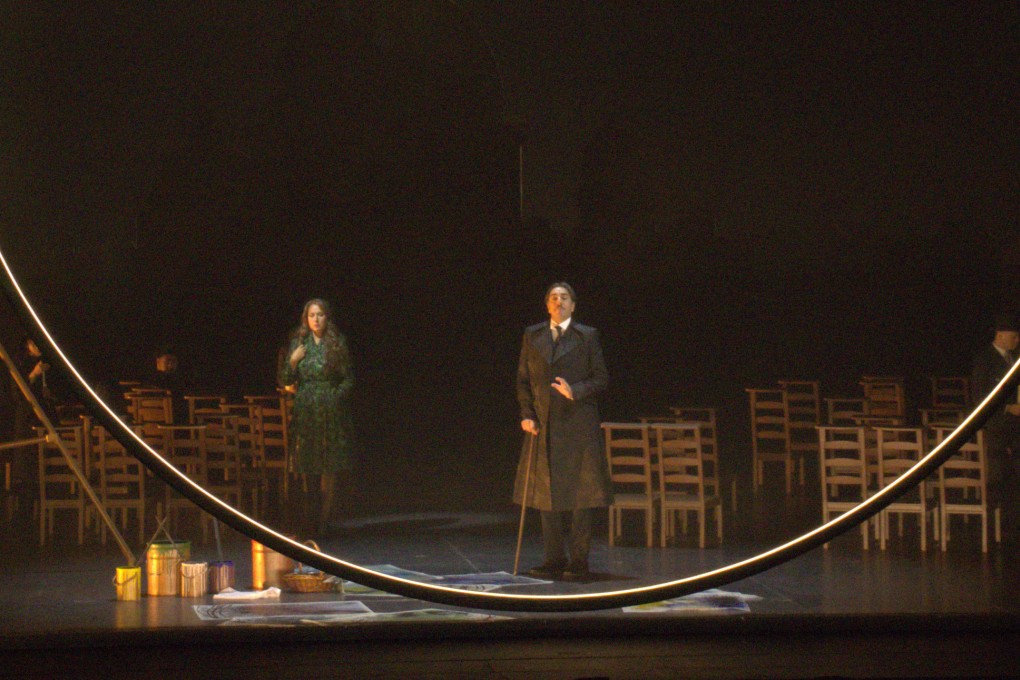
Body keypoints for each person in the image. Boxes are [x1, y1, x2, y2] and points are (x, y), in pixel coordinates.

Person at [514, 282, 612, 581]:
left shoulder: (587, 336)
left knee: (581, 497)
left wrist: (576, 391)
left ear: (573, 305)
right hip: (544, 427)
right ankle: (554, 559)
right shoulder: (533, 335)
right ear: (547, 305)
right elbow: (523, 381)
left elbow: (601, 378)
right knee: (547, 495)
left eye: (565, 297)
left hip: (578, 426)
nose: (559, 302)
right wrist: (528, 415)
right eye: (554, 298)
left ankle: (578, 560)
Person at [278, 298, 355, 535]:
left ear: (327, 317)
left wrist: (335, 396)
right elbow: (286, 381)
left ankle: (324, 520)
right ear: (306, 318)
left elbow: (348, 378)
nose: (316, 319)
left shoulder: (336, 343)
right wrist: (292, 361)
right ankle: (310, 519)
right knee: (308, 464)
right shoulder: (299, 343)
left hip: (329, 410)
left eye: (320, 314)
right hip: (307, 409)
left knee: (328, 466)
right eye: (312, 315)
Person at [971, 312, 1020, 546]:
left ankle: (1012, 526)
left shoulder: (1013, 359)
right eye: (1013, 337)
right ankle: (998, 532)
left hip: (1014, 430)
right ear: (1000, 335)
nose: (1016, 341)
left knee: (1014, 478)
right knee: (998, 477)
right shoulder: (985, 360)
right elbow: (980, 397)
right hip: (997, 428)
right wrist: (1009, 408)